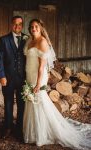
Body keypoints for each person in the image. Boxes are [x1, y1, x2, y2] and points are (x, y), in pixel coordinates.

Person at [23, 18, 91, 149]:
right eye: (31, 27)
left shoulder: (43, 42)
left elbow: (42, 67)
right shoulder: (30, 41)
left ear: (41, 27)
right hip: (29, 75)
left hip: (38, 76)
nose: (33, 29)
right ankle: (32, 132)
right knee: (31, 102)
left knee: (39, 101)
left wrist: (38, 84)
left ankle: (42, 134)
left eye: (36, 26)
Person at [0, 16, 28, 139]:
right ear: (11, 25)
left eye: (20, 24)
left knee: (22, 104)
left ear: (22, 25)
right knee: (8, 103)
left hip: (23, 78)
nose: (17, 26)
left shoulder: (27, 39)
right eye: (15, 24)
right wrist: (2, 75)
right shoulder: (3, 40)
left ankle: (19, 128)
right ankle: (8, 127)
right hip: (8, 78)